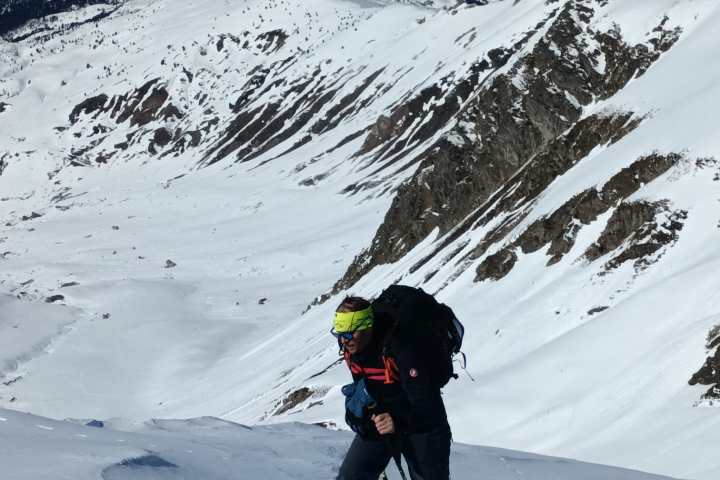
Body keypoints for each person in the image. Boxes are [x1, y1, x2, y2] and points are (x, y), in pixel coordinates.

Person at [332, 296, 451, 480]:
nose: (344, 340)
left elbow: (427, 403)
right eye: (340, 333)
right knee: (351, 476)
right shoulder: (352, 347)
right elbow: (368, 384)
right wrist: (361, 414)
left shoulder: (401, 345)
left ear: (367, 326)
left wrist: (397, 420)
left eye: (350, 333)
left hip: (423, 423)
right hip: (384, 418)